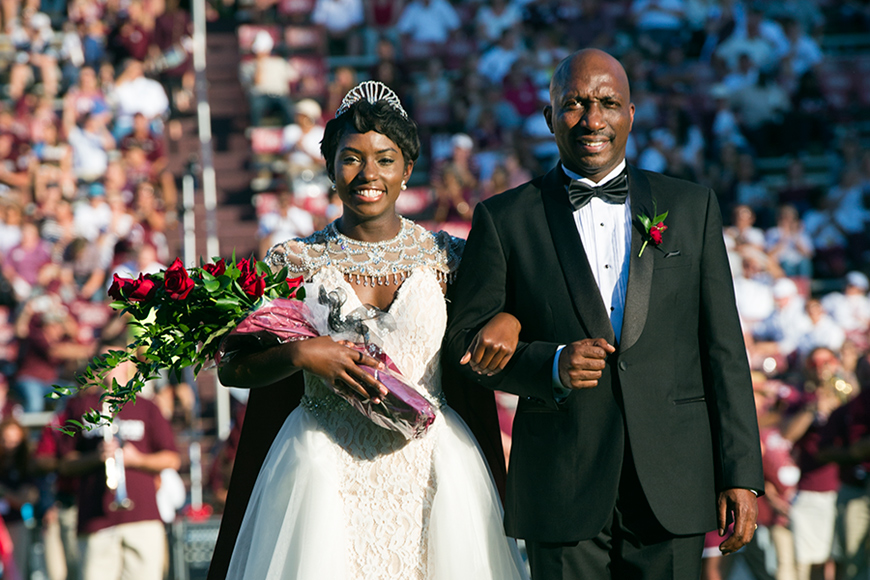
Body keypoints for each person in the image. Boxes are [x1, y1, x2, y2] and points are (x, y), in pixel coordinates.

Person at [443, 49, 763, 579]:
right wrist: (549, 365)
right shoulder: (503, 219)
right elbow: (463, 347)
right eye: (574, 103)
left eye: (608, 103)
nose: (592, 119)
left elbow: (723, 348)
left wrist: (742, 474)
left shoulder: (691, 207)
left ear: (631, 115)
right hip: (560, 483)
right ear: (549, 117)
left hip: (675, 482)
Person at [207, 81, 529, 580]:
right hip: (319, 471)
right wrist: (301, 355)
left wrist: (511, 317)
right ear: (331, 168)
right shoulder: (294, 262)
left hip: (432, 471)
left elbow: (514, 313)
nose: (368, 173)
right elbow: (231, 369)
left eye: (385, 158)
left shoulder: (450, 259)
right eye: (351, 158)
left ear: (407, 170)